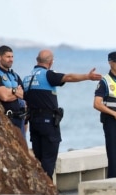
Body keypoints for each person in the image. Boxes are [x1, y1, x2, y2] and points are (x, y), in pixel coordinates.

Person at [23, 49, 102, 178]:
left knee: (38, 158)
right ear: (50, 62)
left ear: (37, 60)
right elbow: (68, 77)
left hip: (34, 124)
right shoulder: (48, 75)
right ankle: (46, 191)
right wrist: (87, 77)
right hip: (48, 124)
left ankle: (38, 187)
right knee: (49, 159)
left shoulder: (27, 78)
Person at [0, 45, 26, 135]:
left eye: (12, 57)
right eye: (8, 57)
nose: (11, 59)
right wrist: (16, 91)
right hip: (5, 120)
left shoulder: (15, 76)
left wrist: (10, 91)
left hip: (20, 120)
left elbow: (25, 95)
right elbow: (4, 97)